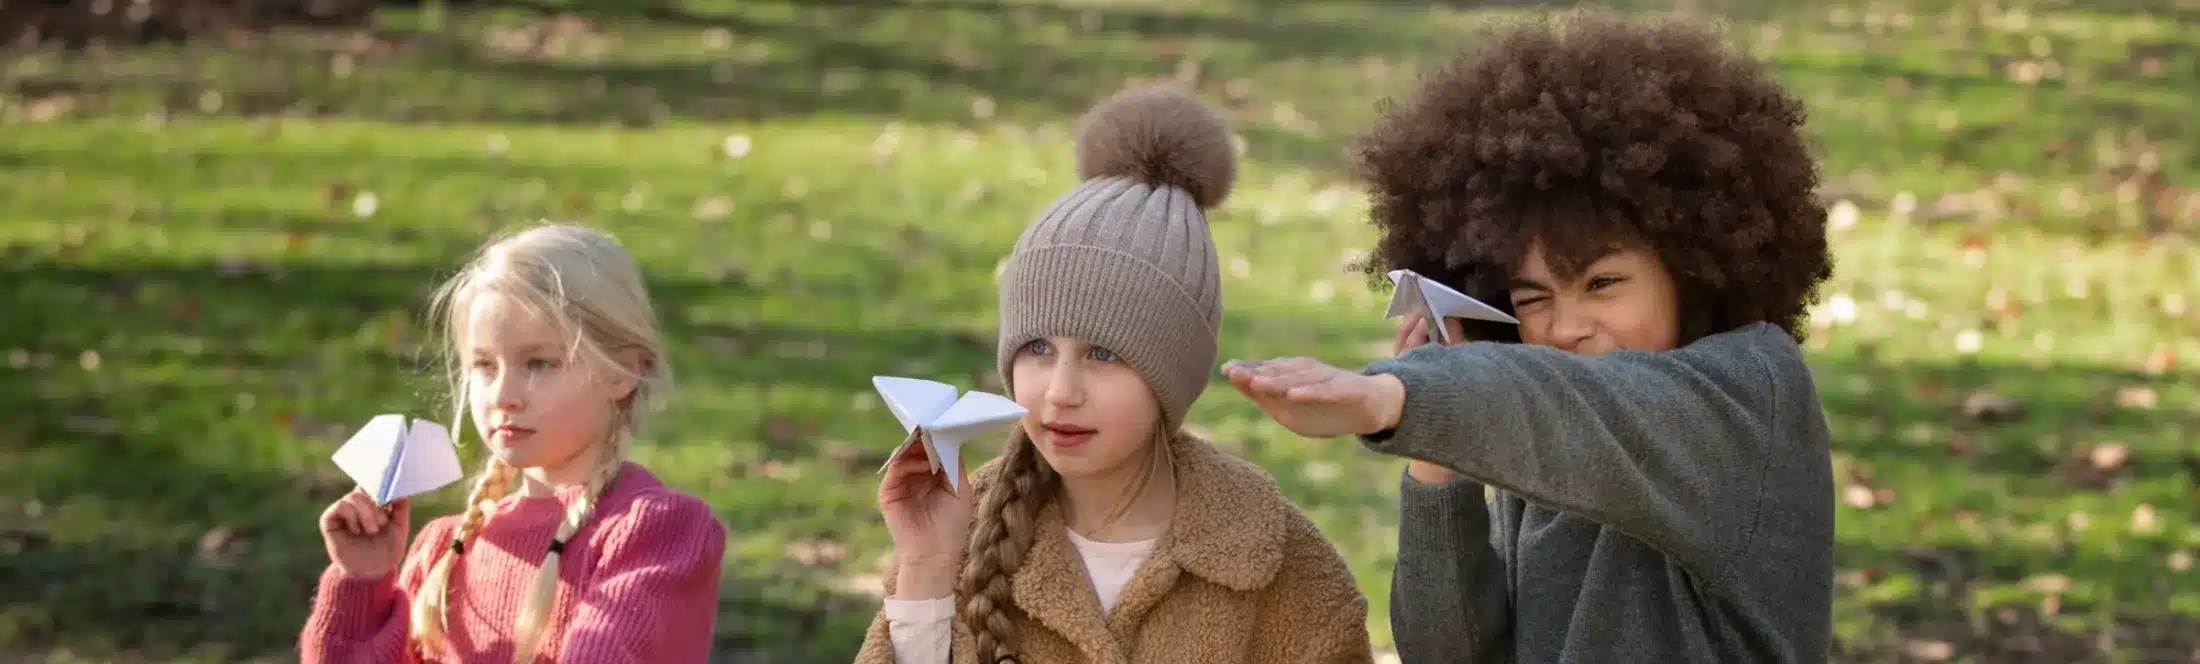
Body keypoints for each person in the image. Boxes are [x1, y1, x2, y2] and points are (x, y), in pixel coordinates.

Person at [1223, 10, 1838, 663]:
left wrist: (1398, 398)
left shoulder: (1752, 390)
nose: (1566, 328)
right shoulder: (1538, 437)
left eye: (1602, 283)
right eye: (1533, 297)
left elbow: (1589, 410)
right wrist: (1441, 470)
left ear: (1691, 269)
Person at [856, 85, 1374, 664]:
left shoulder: (1286, 569)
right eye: (1037, 348)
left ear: (1172, 374)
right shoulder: (963, 530)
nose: (1060, 393)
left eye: (1103, 355)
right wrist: (926, 568)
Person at [300, 224, 727, 663]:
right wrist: (363, 583)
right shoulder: (444, 550)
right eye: (484, 366)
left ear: (621, 372)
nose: (504, 396)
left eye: (540, 363)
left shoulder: (657, 533)